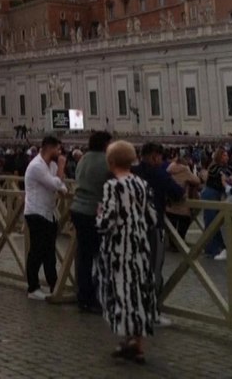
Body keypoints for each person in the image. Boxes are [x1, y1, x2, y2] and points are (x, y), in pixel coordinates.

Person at [95, 141, 158, 365]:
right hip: (140, 246)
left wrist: (99, 215)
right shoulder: (142, 184)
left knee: (122, 292)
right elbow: (152, 218)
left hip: (120, 249)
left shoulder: (113, 186)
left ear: (110, 162)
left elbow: (107, 221)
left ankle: (130, 342)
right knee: (139, 293)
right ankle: (137, 346)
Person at [132, 142, 183, 324]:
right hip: (152, 227)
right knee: (153, 270)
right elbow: (177, 192)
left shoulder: (133, 171)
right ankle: (150, 312)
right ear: (155, 157)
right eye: (160, 157)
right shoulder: (159, 174)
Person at [70, 131, 112, 314]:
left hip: (77, 209)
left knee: (83, 256)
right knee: (100, 255)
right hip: (94, 211)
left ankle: (83, 295)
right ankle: (92, 296)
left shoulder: (84, 158)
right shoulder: (106, 161)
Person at [23, 135, 68, 299]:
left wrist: (61, 184)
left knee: (49, 252)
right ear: (49, 148)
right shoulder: (36, 166)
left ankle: (54, 285)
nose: (60, 152)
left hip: (49, 213)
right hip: (36, 212)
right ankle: (32, 288)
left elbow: (61, 185)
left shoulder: (52, 165)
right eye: (57, 148)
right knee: (37, 251)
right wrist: (62, 167)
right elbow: (55, 184)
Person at [200, 147, 232, 258]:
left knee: (215, 221)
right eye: (224, 155)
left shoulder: (225, 167)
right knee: (211, 221)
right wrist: (229, 178)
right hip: (210, 194)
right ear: (219, 156)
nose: (227, 157)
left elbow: (229, 175)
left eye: (227, 155)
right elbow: (224, 175)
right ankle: (212, 249)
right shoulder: (214, 167)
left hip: (216, 194)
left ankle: (217, 247)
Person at [165, 153, 202, 250]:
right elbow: (196, 180)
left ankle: (172, 244)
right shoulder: (185, 170)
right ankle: (179, 244)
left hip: (170, 203)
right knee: (183, 224)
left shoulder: (168, 169)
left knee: (171, 225)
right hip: (182, 203)